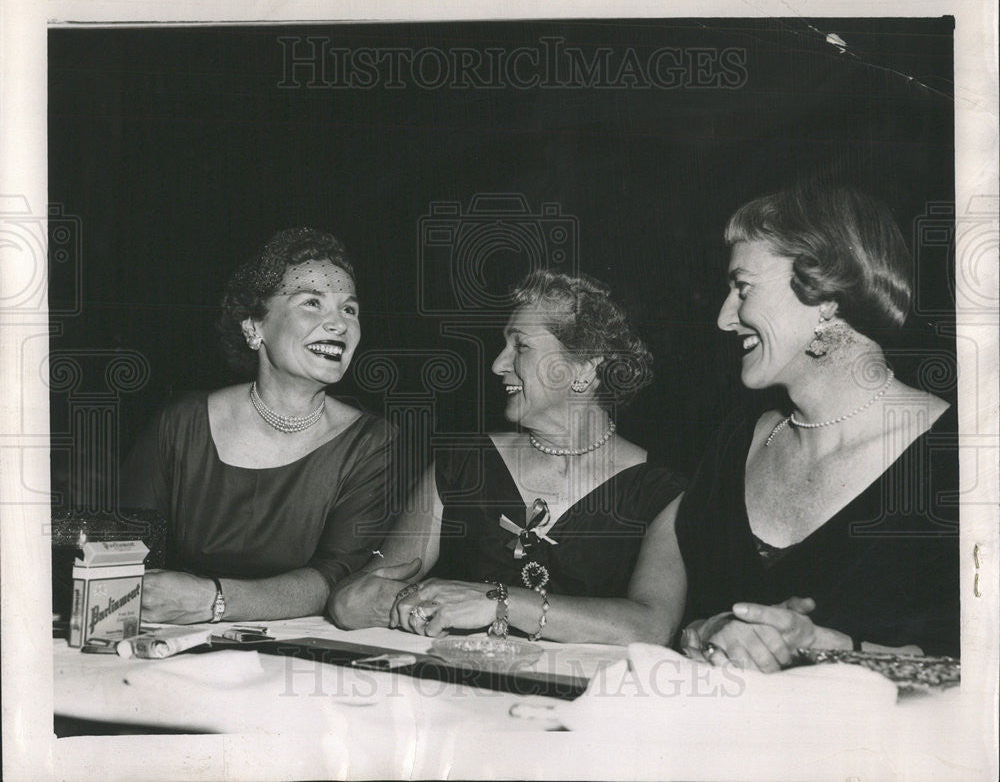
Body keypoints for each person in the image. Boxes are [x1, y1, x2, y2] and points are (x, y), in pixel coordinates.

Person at [676, 184, 959, 672]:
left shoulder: (959, 460)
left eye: (743, 288)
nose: (725, 320)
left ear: (825, 293)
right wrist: (706, 631)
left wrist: (833, 649)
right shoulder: (732, 443)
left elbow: (979, 675)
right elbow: (684, 620)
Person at [328, 269, 686, 646]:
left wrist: (498, 602)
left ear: (583, 366)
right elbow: (356, 598)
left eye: (521, 346)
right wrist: (384, 602)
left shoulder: (661, 494)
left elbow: (651, 627)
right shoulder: (465, 465)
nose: (498, 364)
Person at [121, 227, 395, 624]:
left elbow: (338, 579)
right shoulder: (180, 425)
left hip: (304, 657)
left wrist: (213, 600)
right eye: (312, 303)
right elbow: (121, 553)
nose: (339, 324)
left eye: (349, 309)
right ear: (254, 327)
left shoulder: (373, 443)